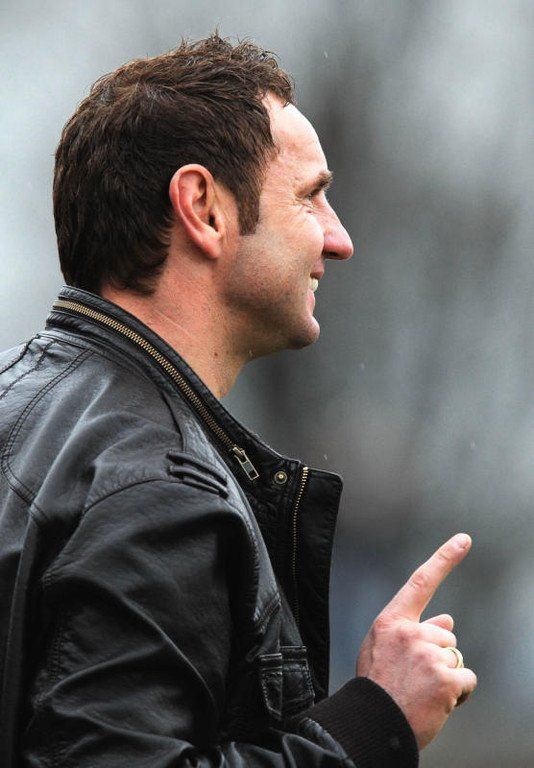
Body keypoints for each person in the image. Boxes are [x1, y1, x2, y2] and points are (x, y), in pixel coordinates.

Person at [0, 34, 476, 767]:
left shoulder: (18, 405)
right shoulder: (155, 488)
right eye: (310, 196)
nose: (340, 240)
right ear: (203, 208)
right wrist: (372, 724)